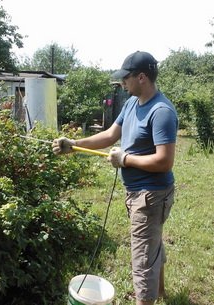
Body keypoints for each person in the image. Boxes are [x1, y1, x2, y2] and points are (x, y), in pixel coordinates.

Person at [52, 51, 178, 305]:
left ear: (141, 77)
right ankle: (162, 291)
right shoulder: (132, 103)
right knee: (151, 243)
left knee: (142, 259)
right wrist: (74, 144)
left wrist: (125, 160)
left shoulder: (161, 111)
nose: (122, 82)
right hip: (138, 193)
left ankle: (148, 298)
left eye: (126, 78)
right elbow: (110, 136)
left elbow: (165, 161)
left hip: (150, 195)